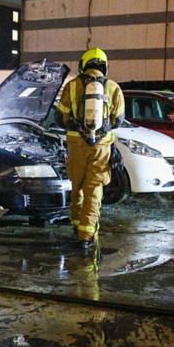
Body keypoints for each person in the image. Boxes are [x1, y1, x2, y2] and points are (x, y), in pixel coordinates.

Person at [54, 48, 125, 247]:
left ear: (83, 65)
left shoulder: (72, 86)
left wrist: (76, 125)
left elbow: (60, 118)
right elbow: (118, 121)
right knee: (94, 189)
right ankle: (86, 234)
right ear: (105, 66)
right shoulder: (113, 87)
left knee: (77, 184)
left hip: (76, 144)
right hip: (101, 146)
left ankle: (77, 224)